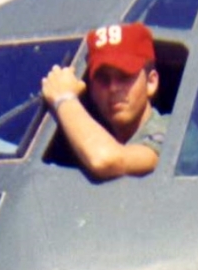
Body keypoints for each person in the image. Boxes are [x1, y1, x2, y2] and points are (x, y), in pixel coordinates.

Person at [41, 22, 166, 180]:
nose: (113, 88)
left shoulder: (172, 129)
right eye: (102, 78)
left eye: (124, 76)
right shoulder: (101, 138)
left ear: (151, 82)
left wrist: (64, 98)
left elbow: (106, 160)